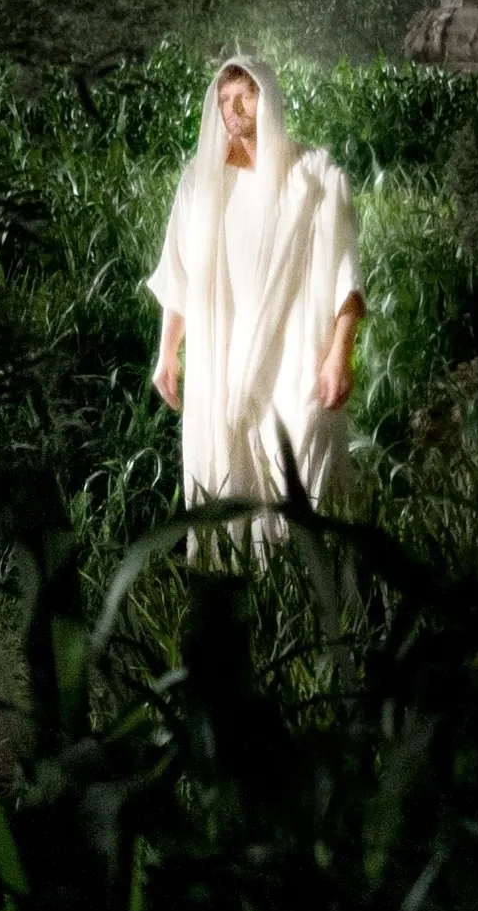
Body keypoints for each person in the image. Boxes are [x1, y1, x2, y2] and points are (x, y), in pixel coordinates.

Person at [149, 53, 363, 543]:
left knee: (307, 467)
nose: (234, 108)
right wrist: (167, 351)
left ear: (268, 100)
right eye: (225, 98)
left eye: (245, 96)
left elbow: (346, 275)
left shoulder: (313, 177)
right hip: (223, 353)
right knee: (230, 479)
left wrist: (340, 354)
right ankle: (247, 586)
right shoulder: (202, 182)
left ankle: (314, 582)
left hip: (294, 351)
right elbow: (179, 272)